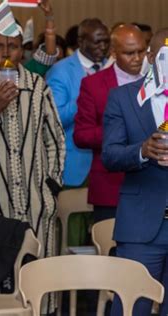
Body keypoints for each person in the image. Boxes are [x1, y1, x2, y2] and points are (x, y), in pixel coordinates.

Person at [0, 26, 65, 312]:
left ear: (23, 50)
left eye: (13, 46)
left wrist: (50, 188)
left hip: (36, 203)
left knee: (42, 280)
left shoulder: (38, 86)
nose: (6, 54)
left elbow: (55, 141)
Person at [102, 28, 168, 315]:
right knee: (131, 308)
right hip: (142, 227)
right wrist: (142, 150)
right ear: (151, 58)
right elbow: (110, 155)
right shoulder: (123, 97)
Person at [74, 24, 146, 223]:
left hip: (150, 185)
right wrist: (120, 132)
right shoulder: (93, 84)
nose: (137, 58)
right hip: (110, 186)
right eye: (129, 53)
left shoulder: (157, 80)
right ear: (114, 52)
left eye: (141, 51)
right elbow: (81, 134)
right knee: (110, 251)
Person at [46, 18, 110, 188]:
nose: (103, 47)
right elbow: (56, 118)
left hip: (108, 164)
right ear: (81, 42)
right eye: (97, 42)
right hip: (75, 166)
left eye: (106, 41)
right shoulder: (61, 70)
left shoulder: (111, 68)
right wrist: (88, 95)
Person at [24, 0, 64, 76]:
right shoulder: (32, 69)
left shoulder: (66, 74)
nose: (54, 63)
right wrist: (49, 16)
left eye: (59, 60)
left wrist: (49, 15)